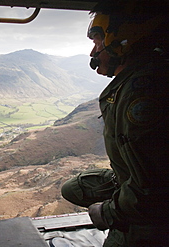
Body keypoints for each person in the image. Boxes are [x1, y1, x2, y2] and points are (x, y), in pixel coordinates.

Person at [61, 0, 169, 246]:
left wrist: (109, 213)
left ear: (121, 39)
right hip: (141, 183)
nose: (93, 52)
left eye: (97, 42)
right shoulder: (138, 78)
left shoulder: (142, 93)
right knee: (73, 189)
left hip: (152, 209)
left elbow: (154, 189)